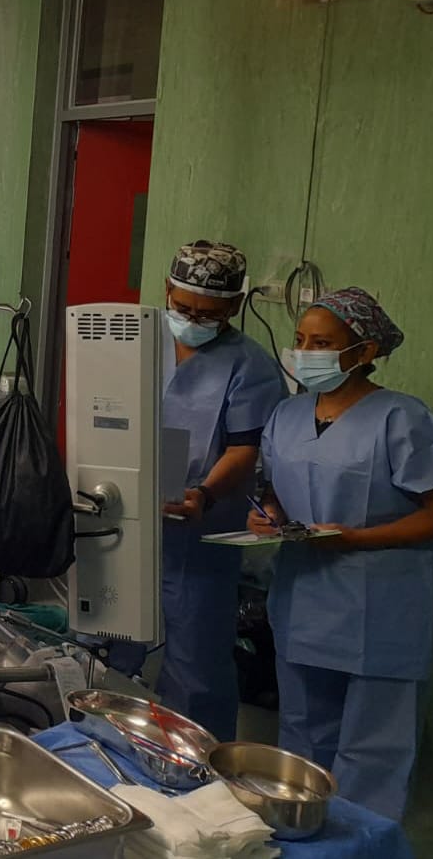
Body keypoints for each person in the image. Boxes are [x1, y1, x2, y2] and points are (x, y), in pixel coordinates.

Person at [248, 288, 433, 821]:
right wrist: (266, 514)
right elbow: (273, 489)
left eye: (321, 343)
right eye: (299, 340)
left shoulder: (401, 418)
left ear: (364, 352)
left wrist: (358, 539)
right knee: (302, 737)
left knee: (373, 749)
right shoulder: (287, 415)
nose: (304, 352)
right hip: (304, 603)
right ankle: (300, 836)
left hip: (383, 611)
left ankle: (362, 844)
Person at [144, 241, 286, 742]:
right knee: (107, 638)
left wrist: (203, 493)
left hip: (199, 529)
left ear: (234, 306)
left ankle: (197, 763)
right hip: (126, 518)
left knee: (196, 660)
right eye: (183, 307)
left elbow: (247, 447)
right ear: (167, 289)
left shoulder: (249, 365)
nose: (192, 320)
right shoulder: (139, 338)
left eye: (208, 314)